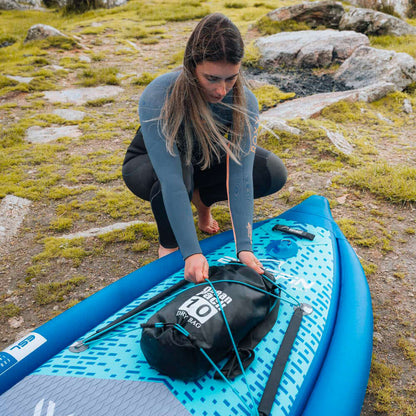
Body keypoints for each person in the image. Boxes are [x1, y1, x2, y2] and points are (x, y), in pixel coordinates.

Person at [122, 13, 287, 284]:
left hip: (202, 158)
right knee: (181, 176)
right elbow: (171, 179)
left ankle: (202, 201)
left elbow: (241, 175)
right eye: (212, 78)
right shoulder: (158, 95)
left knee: (271, 171)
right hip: (151, 165)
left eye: (231, 79)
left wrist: (243, 246)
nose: (222, 90)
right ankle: (170, 244)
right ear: (192, 66)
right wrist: (190, 252)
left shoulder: (245, 102)